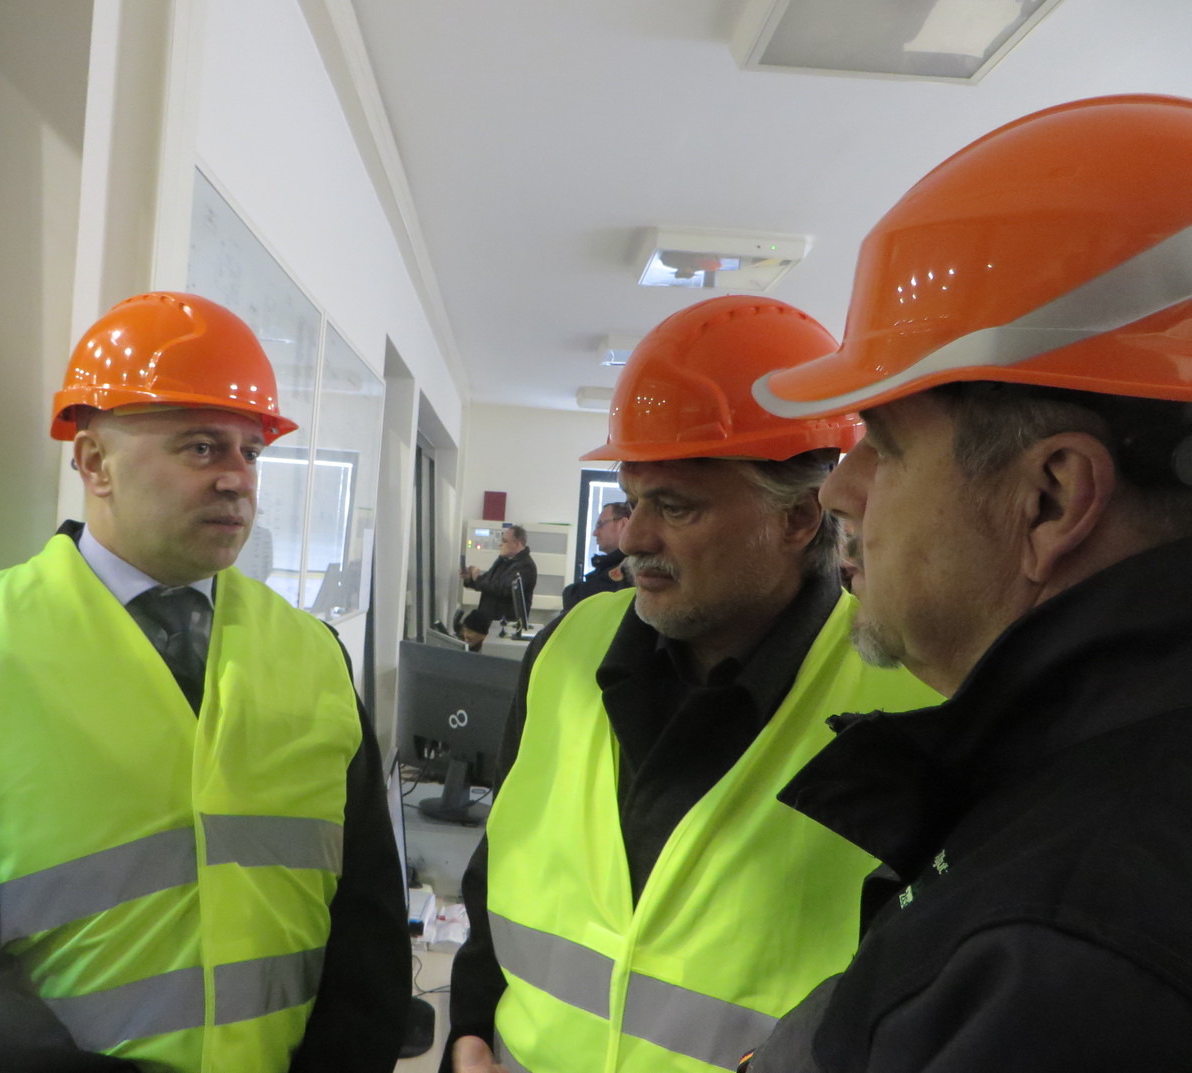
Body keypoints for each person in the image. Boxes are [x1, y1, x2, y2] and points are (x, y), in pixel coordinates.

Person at [0, 292, 410, 1073]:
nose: (238, 479)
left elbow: (367, 928)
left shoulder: (313, 656)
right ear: (93, 462)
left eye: (251, 451)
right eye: (202, 447)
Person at [742, 94, 1192, 1071]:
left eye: (885, 443)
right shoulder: (1081, 811)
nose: (840, 488)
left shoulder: (1067, 948)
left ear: (1050, 498)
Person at [445, 295, 941, 1073]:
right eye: (633, 499)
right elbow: (500, 866)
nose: (635, 536)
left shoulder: (912, 700)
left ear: (799, 517)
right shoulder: (568, 648)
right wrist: (469, 1026)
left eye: (675, 506)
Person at [560, 502, 631, 609]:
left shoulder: (628, 566)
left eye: (600, 524)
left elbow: (579, 598)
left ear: (623, 524)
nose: (595, 533)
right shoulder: (612, 563)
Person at [462, 524, 537, 625]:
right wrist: (470, 578)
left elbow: (503, 589)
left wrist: (478, 578)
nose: (500, 544)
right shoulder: (503, 561)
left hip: (505, 624)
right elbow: (488, 581)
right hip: (488, 620)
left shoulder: (525, 566)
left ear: (517, 544)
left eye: (504, 541)